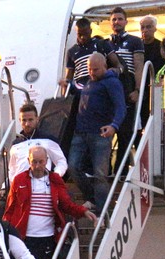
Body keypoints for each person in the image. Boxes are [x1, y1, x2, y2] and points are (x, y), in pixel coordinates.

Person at [68, 52, 126, 216]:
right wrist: (71, 86)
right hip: (81, 131)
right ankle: (91, 198)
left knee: (100, 173)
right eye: (90, 69)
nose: (92, 73)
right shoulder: (90, 82)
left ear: (105, 67)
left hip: (100, 133)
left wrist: (114, 126)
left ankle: (102, 209)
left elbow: (120, 107)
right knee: (73, 166)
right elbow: (83, 94)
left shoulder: (112, 83)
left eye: (96, 69)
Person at [108, 6, 145, 176]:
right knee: (107, 133)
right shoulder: (105, 44)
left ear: (126, 21)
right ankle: (106, 170)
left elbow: (138, 67)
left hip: (127, 89)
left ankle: (120, 172)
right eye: (114, 19)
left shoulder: (135, 41)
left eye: (120, 19)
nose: (117, 22)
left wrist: (138, 89)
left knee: (125, 133)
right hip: (109, 92)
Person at [59, 17, 124, 94]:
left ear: (90, 31)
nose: (83, 37)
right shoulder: (72, 51)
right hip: (81, 89)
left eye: (85, 34)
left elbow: (118, 65)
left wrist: (116, 71)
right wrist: (64, 98)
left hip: (100, 85)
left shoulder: (102, 44)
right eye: (80, 34)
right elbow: (68, 78)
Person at [9, 103, 68, 181]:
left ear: (37, 119)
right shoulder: (15, 144)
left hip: (42, 185)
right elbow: (12, 170)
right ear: (20, 120)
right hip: (21, 188)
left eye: (30, 120)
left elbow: (61, 161)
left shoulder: (48, 139)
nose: (27, 124)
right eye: (24, 120)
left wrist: (55, 176)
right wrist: (7, 186)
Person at [139, 15, 165, 128]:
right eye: (142, 27)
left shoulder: (161, 47)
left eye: (148, 27)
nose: (145, 30)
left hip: (156, 90)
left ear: (155, 28)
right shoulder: (137, 46)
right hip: (140, 90)